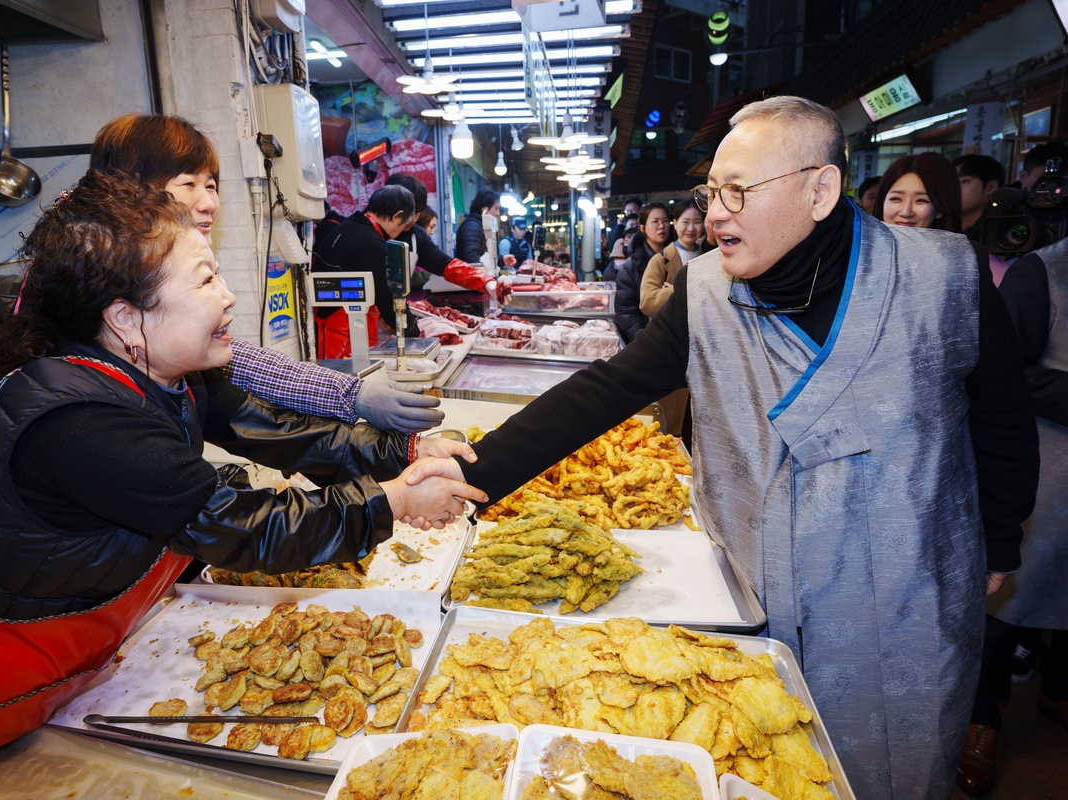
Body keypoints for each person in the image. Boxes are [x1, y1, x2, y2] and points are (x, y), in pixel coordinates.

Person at [409, 96, 1039, 800]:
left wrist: (1002, 537)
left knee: (899, 762)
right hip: (759, 581)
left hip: (909, 588)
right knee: (755, 754)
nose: (713, 215)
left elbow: (1003, 415)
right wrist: (475, 468)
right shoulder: (705, 288)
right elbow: (610, 388)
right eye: (711, 193)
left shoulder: (945, 276)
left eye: (738, 192)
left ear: (820, 190)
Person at [0, 170, 487, 799]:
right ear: (126, 317)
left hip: (44, 670)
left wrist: (405, 448)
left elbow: (282, 430)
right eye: (205, 279)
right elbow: (245, 526)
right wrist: (397, 501)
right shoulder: (81, 426)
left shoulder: (171, 376)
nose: (228, 298)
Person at [89, 114, 440, 433]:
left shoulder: (186, 363)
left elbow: (248, 384)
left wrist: (352, 396)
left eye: (211, 185)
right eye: (188, 184)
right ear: (131, 190)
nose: (209, 202)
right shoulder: (95, 390)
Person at [957, 238, 1068, 794]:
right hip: (1049, 475)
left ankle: (1057, 688)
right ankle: (983, 719)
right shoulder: (1041, 273)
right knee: (1006, 609)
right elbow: (1002, 378)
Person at [384, 173, 509, 307]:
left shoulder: (416, 235)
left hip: (403, 311)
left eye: (417, 212)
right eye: (410, 212)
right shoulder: (368, 234)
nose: (414, 219)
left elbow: (447, 265)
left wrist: (486, 282)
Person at [314, 184, 416, 334]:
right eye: (403, 226)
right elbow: (392, 301)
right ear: (397, 216)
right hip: (344, 333)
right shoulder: (372, 243)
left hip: (326, 326)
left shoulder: (346, 227)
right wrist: (414, 333)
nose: (398, 233)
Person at [614, 202, 670, 343]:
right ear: (642, 228)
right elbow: (626, 310)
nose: (661, 226)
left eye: (665, 221)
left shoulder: (678, 257)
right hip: (648, 341)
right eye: (655, 222)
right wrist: (643, 341)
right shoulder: (631, 266)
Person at [639, 199, 703, 317]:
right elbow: (646, 303)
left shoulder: (706, 258)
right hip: (668, 333)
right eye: (685, 222)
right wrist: (680, 289)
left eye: (697, 222)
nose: (691, 228)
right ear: (675, 223)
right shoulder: (660, 260)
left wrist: (667, 291)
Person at [873, 152, 962, 232]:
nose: (906, 213)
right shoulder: (862, 248)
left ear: (940, 209)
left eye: (921, 200)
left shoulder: (963, 249)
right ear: (883, 201)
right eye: (896, 198)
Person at [954, 154, 1006, 243]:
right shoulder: (937, 225)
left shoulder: (999, 234)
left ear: (991, 187)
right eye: (952, 181)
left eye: (964, 181)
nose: (954, 188)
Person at [455, 190, 500, 263]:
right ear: (484, 208)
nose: (498, 213)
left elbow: (486, 257)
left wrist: (502, 260)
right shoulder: (472, 226)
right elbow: (472, 258)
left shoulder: (483, 226)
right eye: (496, 208)